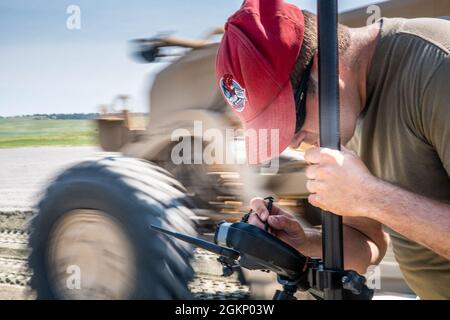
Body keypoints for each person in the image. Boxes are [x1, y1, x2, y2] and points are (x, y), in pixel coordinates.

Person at [215, 0, 450, 299]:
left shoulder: (438, 71)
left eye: (293, 121)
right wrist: (303, 243)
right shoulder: (345, 111)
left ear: (326, 69)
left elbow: (378, 202)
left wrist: (372, 196)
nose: (292, 142)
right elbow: (369, 245)